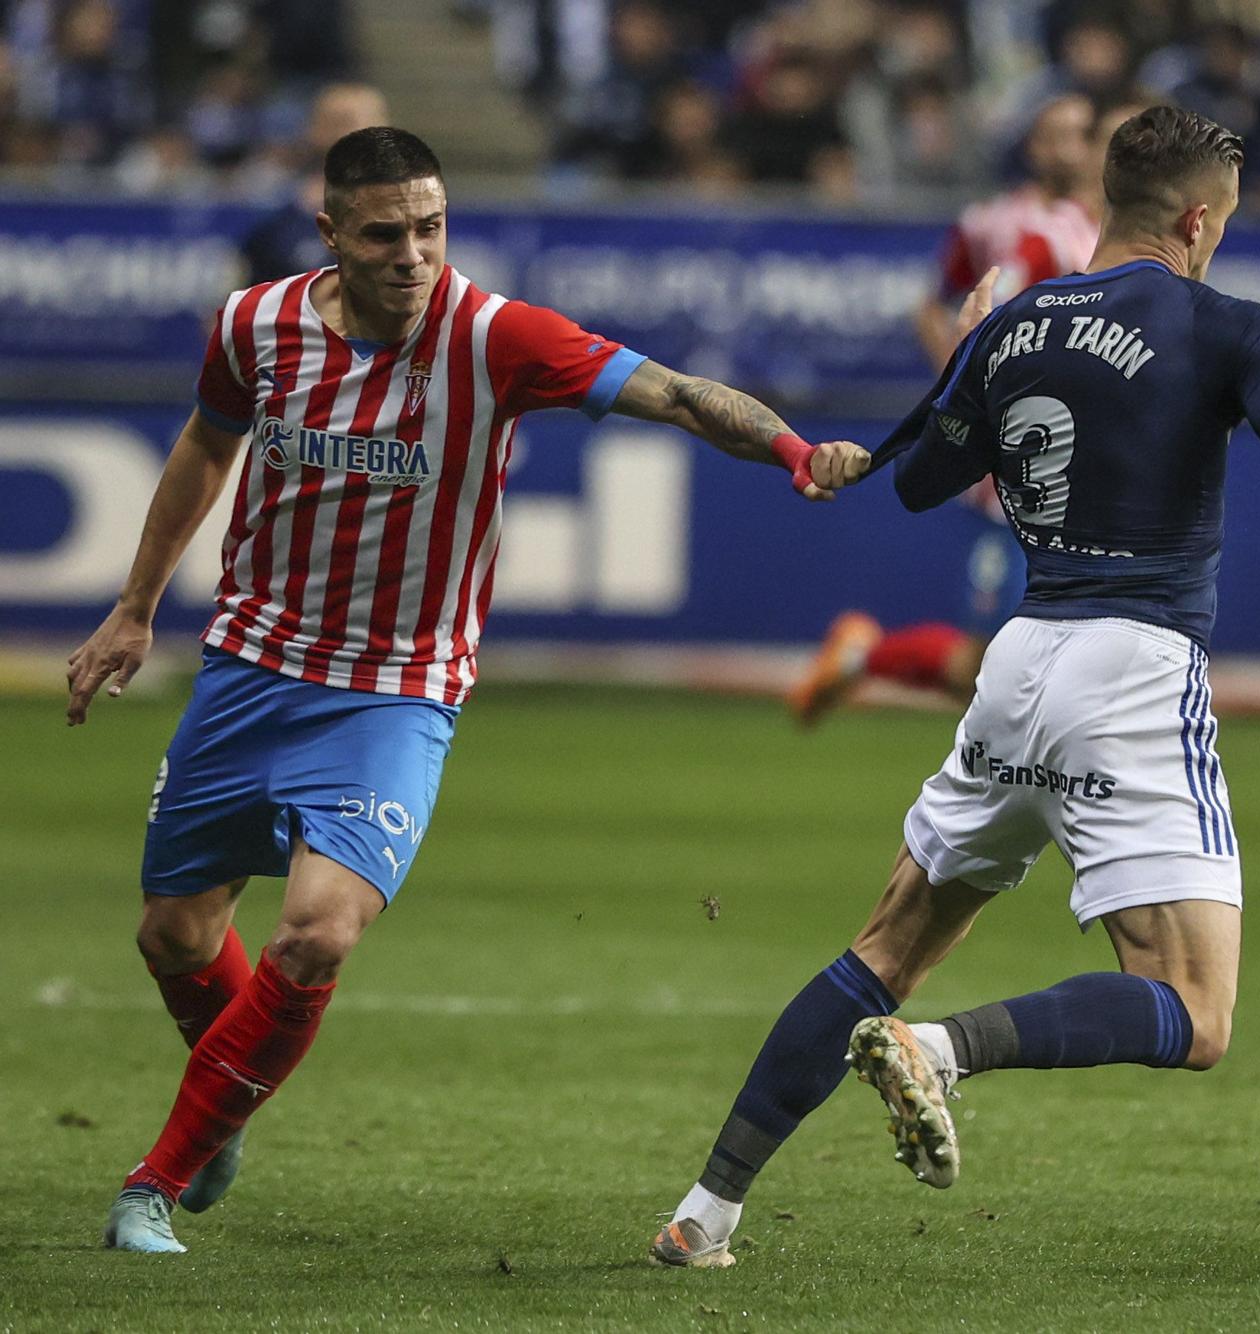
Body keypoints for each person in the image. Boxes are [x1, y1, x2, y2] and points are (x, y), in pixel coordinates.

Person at [649, 105, 1260, 1269]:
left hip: (1018, 662)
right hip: (1132, 669)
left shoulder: (1010, 327)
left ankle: (705, 1211)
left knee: (884, 939)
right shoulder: (1222, 324)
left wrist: (968, 352)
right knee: (1195, 1012)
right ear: (1197, 218)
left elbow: (918, 485)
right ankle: (941, 1051)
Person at [70, 126, 870, 1255]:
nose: (413, 254)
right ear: (333, 232)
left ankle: (155, 1178)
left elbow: (681, 395)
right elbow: (207, 443)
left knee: (315, 935)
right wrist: (136, 605)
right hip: (250, 667)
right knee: (173, 934)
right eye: (387, 233)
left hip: (394, 690)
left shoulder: (497, 338)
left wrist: (792, 449)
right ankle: (229, 1094)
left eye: (431, 229)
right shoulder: (253, 325)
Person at [790, 93, 1100, 721]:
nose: (1069, 149)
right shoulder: (1023, 231)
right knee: (994, 665)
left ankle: (865, 658)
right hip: (1023, 460)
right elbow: (962, 309)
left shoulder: (1099, 235)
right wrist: (965, 388)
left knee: (1026, 666)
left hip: (1073, 460)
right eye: (1057, 135)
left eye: (1081, 136)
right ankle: (865, 660)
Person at [240, 84, 391, 285]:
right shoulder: (276, 220)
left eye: (349, 121)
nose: (342, 133)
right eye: (332, 122)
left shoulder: (411, 214)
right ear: (312, 129)